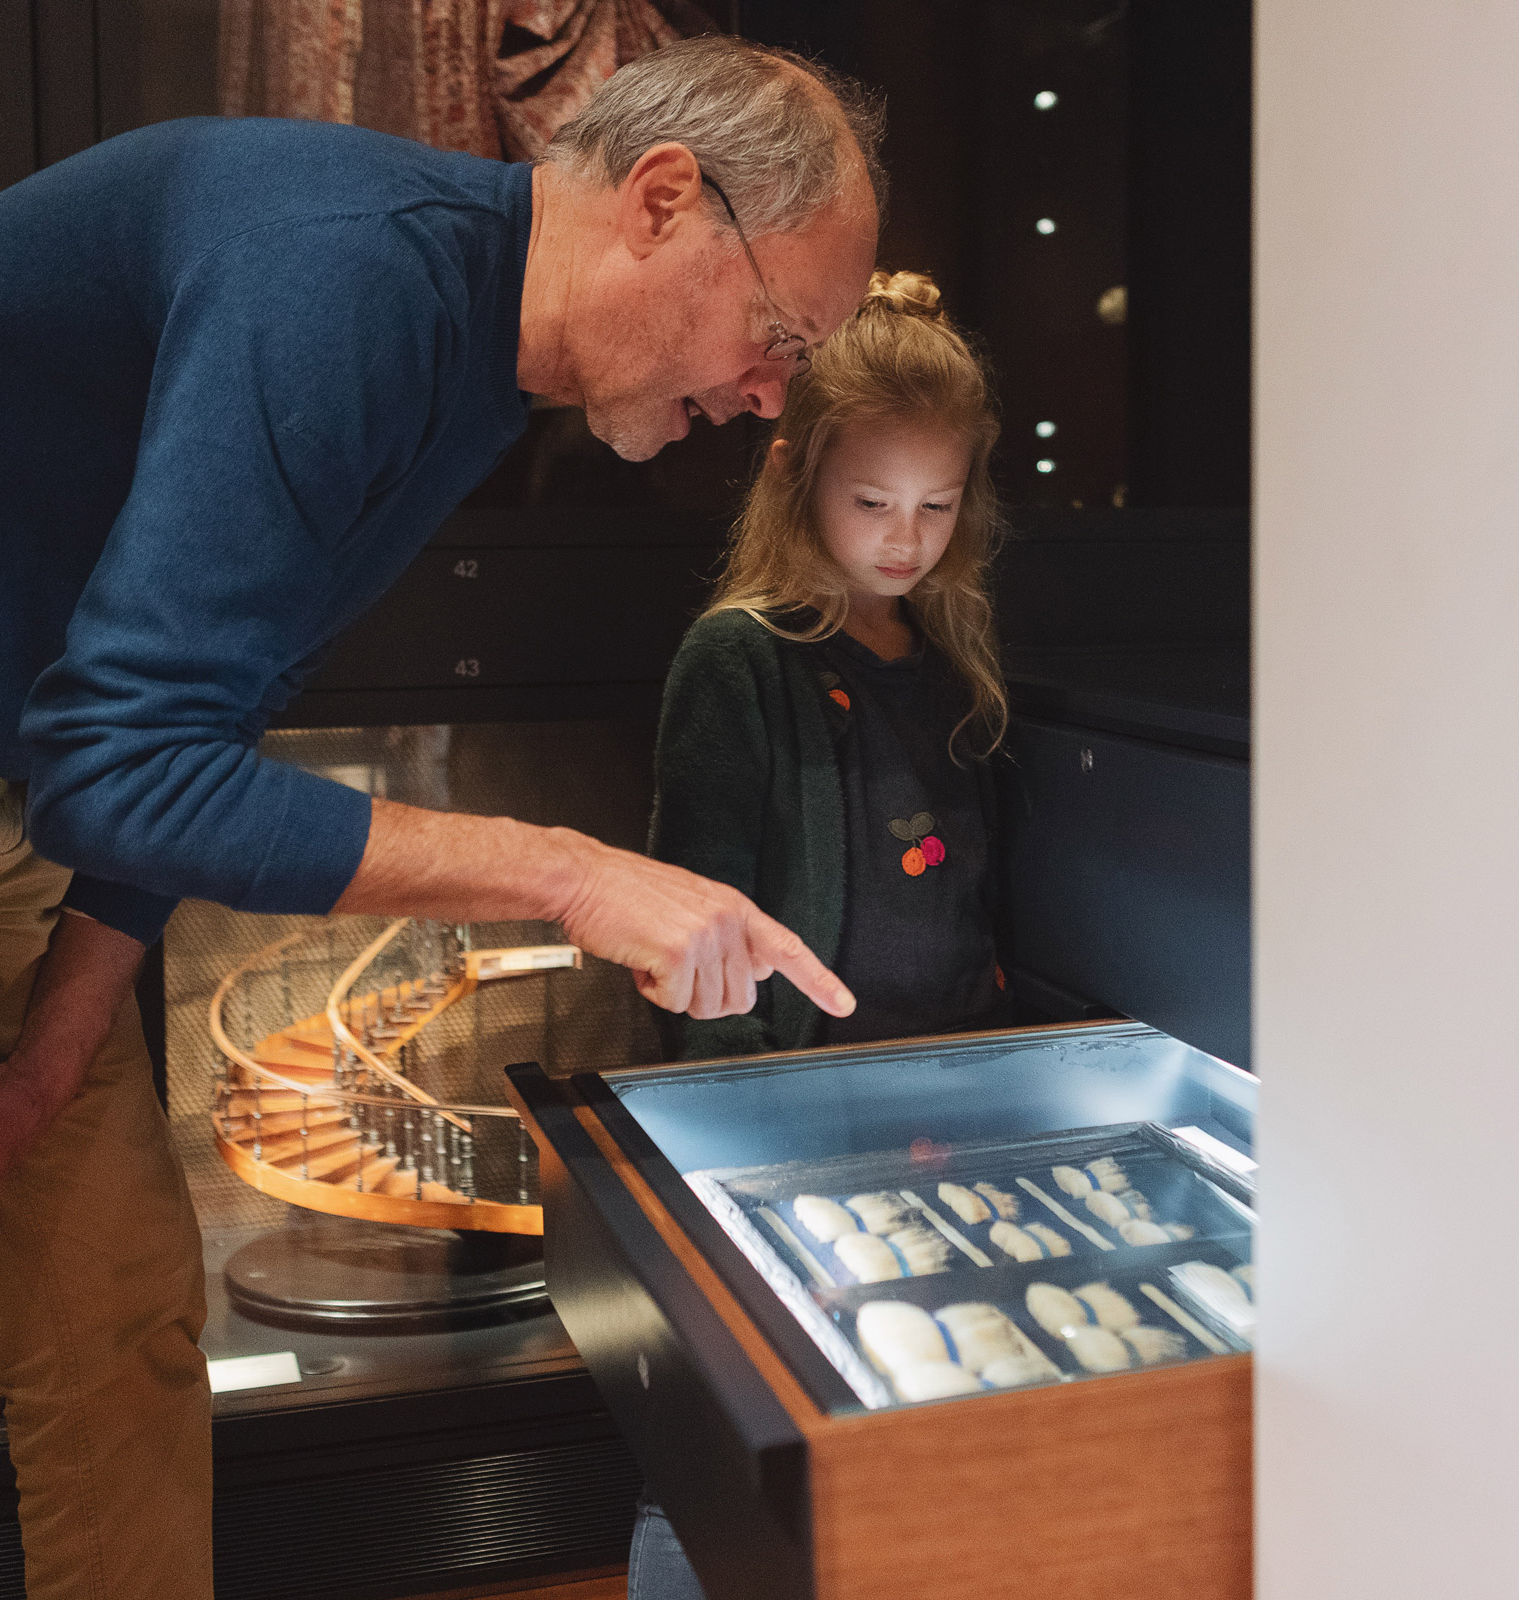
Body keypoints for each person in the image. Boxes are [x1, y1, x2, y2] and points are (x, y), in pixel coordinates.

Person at [0, 37, 879, 1600]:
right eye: (780, 332)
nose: (771, 396)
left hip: (17, 788)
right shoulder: (339, 278)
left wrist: (48, 1061)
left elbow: (189, 717)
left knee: (119, 1317)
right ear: (663, 200)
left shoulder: (472, 369)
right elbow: (128, 763)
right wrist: (568, 872)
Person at [631, 270, 1009, 1597]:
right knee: (727, 1439)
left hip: (932, 1108)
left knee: (891, 1422)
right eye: (872, 503)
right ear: (798, 480)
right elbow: (694, 914)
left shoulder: (948, 656)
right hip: (775, 1124)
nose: (905, 538)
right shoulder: (741, 659)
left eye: (936, 506)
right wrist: (738, 1125)